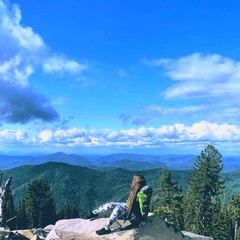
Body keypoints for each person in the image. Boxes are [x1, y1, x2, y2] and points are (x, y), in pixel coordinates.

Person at [86, 173, 152, 235]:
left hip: (135, 215)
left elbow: (144, 207)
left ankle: (107, 228)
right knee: (111, 204)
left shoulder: (142, 194)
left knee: (117, 209)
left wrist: (143, 219)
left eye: (133, 180)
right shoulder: (138, 189)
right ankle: (94, 213)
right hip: (130, 207)